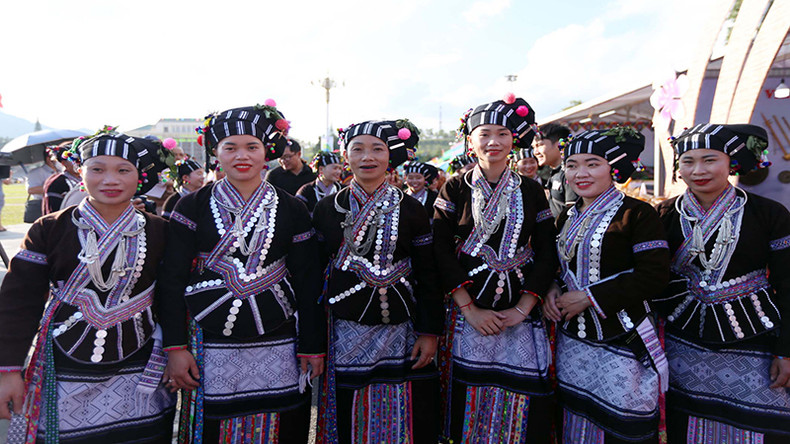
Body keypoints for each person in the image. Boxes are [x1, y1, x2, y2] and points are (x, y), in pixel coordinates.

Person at [158, 104, 324, 443]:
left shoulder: (292, 207)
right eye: (230, 147)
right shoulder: (191, 205)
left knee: (282, 420)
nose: (241, 156)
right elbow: (172, 278)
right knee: (213, 424)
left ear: (267, 153)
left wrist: (311, 343)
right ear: (216, 153)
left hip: (280, 334)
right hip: (208, 334)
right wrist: (175, 347)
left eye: (252, 146)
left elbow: (308, 279)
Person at [0, 127, 177, 443]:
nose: (110, 179)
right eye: (97, 169)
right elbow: (18, 301)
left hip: (140, 365)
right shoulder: (50, 229)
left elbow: (171, 298)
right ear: (80, 173)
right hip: (64, 364)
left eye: (124, 170)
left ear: (140, 178)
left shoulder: (161, 231)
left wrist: (177, 349)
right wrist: (9, 368)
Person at [433, 94, 558, 443]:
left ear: (513, 140)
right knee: (467, 395)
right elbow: (440, 250)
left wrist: (524, 307)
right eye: (484, 133)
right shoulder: (455, 186)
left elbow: (547, 250)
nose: (493, 142)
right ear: (470, 140)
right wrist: (469, 309)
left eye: (502, 133)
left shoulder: (532, 189)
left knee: (521, 397)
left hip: (520, 311)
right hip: (467, 310)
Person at [655, 123, 790, 442]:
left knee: (759, 426)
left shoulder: (768, 214)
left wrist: (786, 350)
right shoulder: (663, 215)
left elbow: (787, 283)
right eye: (687, 161)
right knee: (683, 425)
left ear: (732, 163)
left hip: (753, 338)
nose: (698, 170)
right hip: (681, 340)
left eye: (710, 159)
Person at [313, 119, 443, 443]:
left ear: (390, 156)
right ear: (346, 157)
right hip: (345, 330)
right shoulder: (327, 208)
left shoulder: (411, 209)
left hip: (401, 329)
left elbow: (427, 273)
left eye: (377, 149)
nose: (367, 157)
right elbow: (314, 275)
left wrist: (429, 332)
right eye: (357, 149)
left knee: (404, 409)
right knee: (349, 409)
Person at [545, 127, 670, 443]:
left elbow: (654, 275)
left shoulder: (637, 213)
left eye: (592, 164)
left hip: (623, 337)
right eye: (572, 165)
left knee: (622, 423)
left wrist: (589, 297)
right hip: (573, 339)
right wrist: (551, 290)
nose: (580, 173)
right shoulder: (567, 216)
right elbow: (559, 267)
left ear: (612, 168)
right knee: (577, 419)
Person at [534, 122, 577, 219]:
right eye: (534, 147)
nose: (536, 152)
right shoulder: (555, 174)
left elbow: (573, 212)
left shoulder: (569, 173)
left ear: (559, 144)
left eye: (539, 145)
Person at [42, 141, 80, 214]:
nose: (77, 162)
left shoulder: (89, 179)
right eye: (73, 159)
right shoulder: (56, 183)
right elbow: (52, 213)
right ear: (63, 162)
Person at [24, 150, 58, 222]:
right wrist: (53, 188)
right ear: (48, 159)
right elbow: (31, 189)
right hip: (42, 205)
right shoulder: (37, 172)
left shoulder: (60, 170)